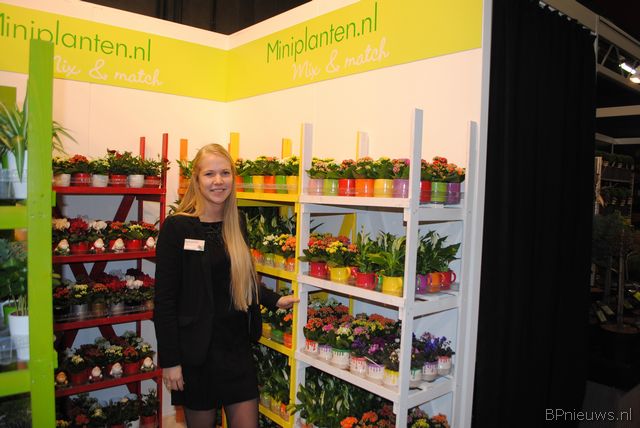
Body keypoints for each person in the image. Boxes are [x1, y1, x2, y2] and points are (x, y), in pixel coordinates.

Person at [153, 143, 298, 427]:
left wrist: (274, 299)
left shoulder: (236, 222)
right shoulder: (177, 228)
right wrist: (170, 361)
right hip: (197, 352)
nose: (218, 181)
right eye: (209, 174)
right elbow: (165, 301)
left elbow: (239, 277)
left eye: (225, 173)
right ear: (196, 179)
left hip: (235, 348)